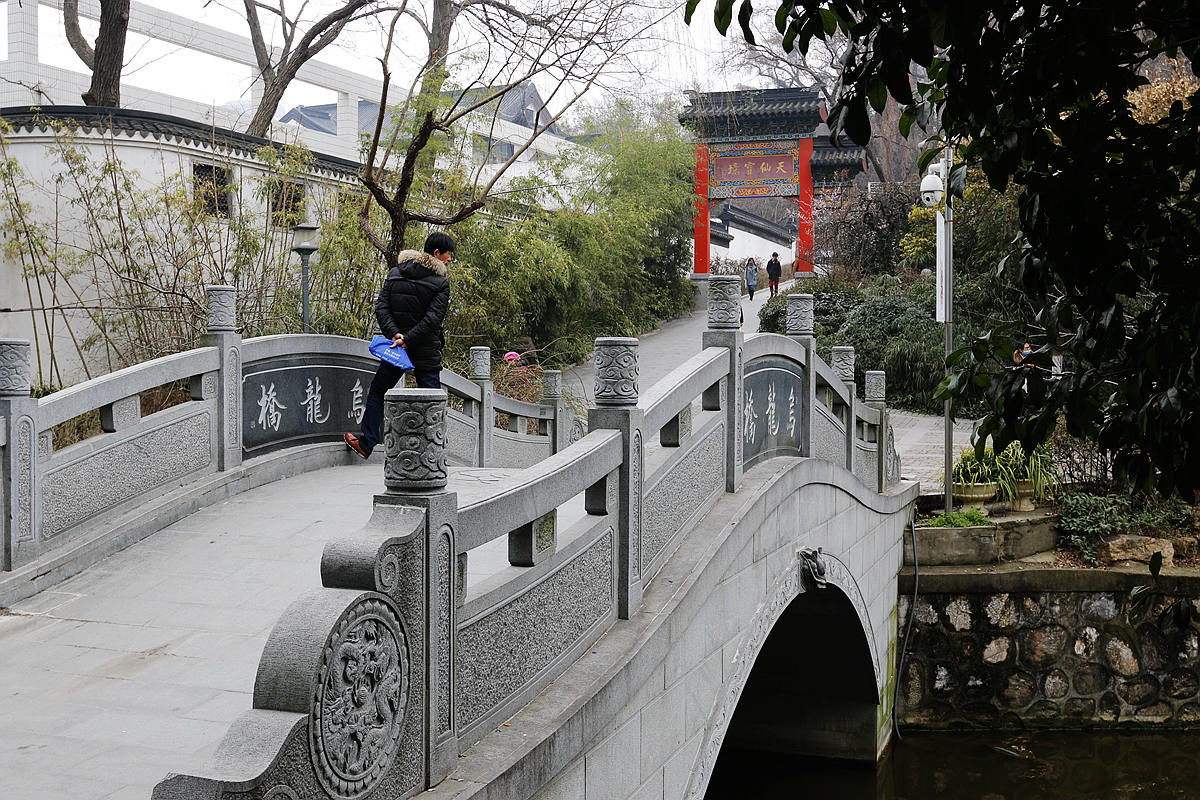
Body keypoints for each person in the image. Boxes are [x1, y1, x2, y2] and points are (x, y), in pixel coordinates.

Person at [345, 231, 454, 458]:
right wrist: (409, 339)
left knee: (378, 391)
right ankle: (434, 453)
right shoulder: (441, 283)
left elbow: (381, 308)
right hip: (425, 349)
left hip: (396, 350)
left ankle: (366, 443)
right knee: (432, 401)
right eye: (448, 254)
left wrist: (396, 336)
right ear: (436, 253)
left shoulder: (395, 273)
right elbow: (433, 319)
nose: (449, 259)